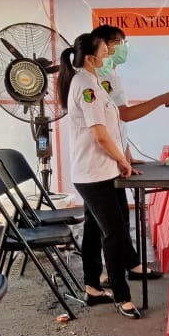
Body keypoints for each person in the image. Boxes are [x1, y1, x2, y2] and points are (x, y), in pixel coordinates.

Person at [91, 23, 169, 281]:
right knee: (108, 225)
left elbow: (116, 124)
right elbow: (124, 115)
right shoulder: (98, 79)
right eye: (118, 43)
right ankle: (105, 280)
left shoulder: (112, 74)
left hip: (114, 158)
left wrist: (127, 153)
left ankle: (128, 265)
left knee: (117, 219)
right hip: (101, 163)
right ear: (103, 46)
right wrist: (162, 99)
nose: (123, 48)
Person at [57, 32, 141, 319]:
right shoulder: (85, 86)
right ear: (92, 58)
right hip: (94, 173)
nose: (110, 54)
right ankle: (122, 296)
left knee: (95, 228)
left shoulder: (91, 83)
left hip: (103, 170)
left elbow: (111, 129)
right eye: (106, 51)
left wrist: (122, 158)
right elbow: (100, 135)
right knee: (114, 233)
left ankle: (92, 286)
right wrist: (122, 160)